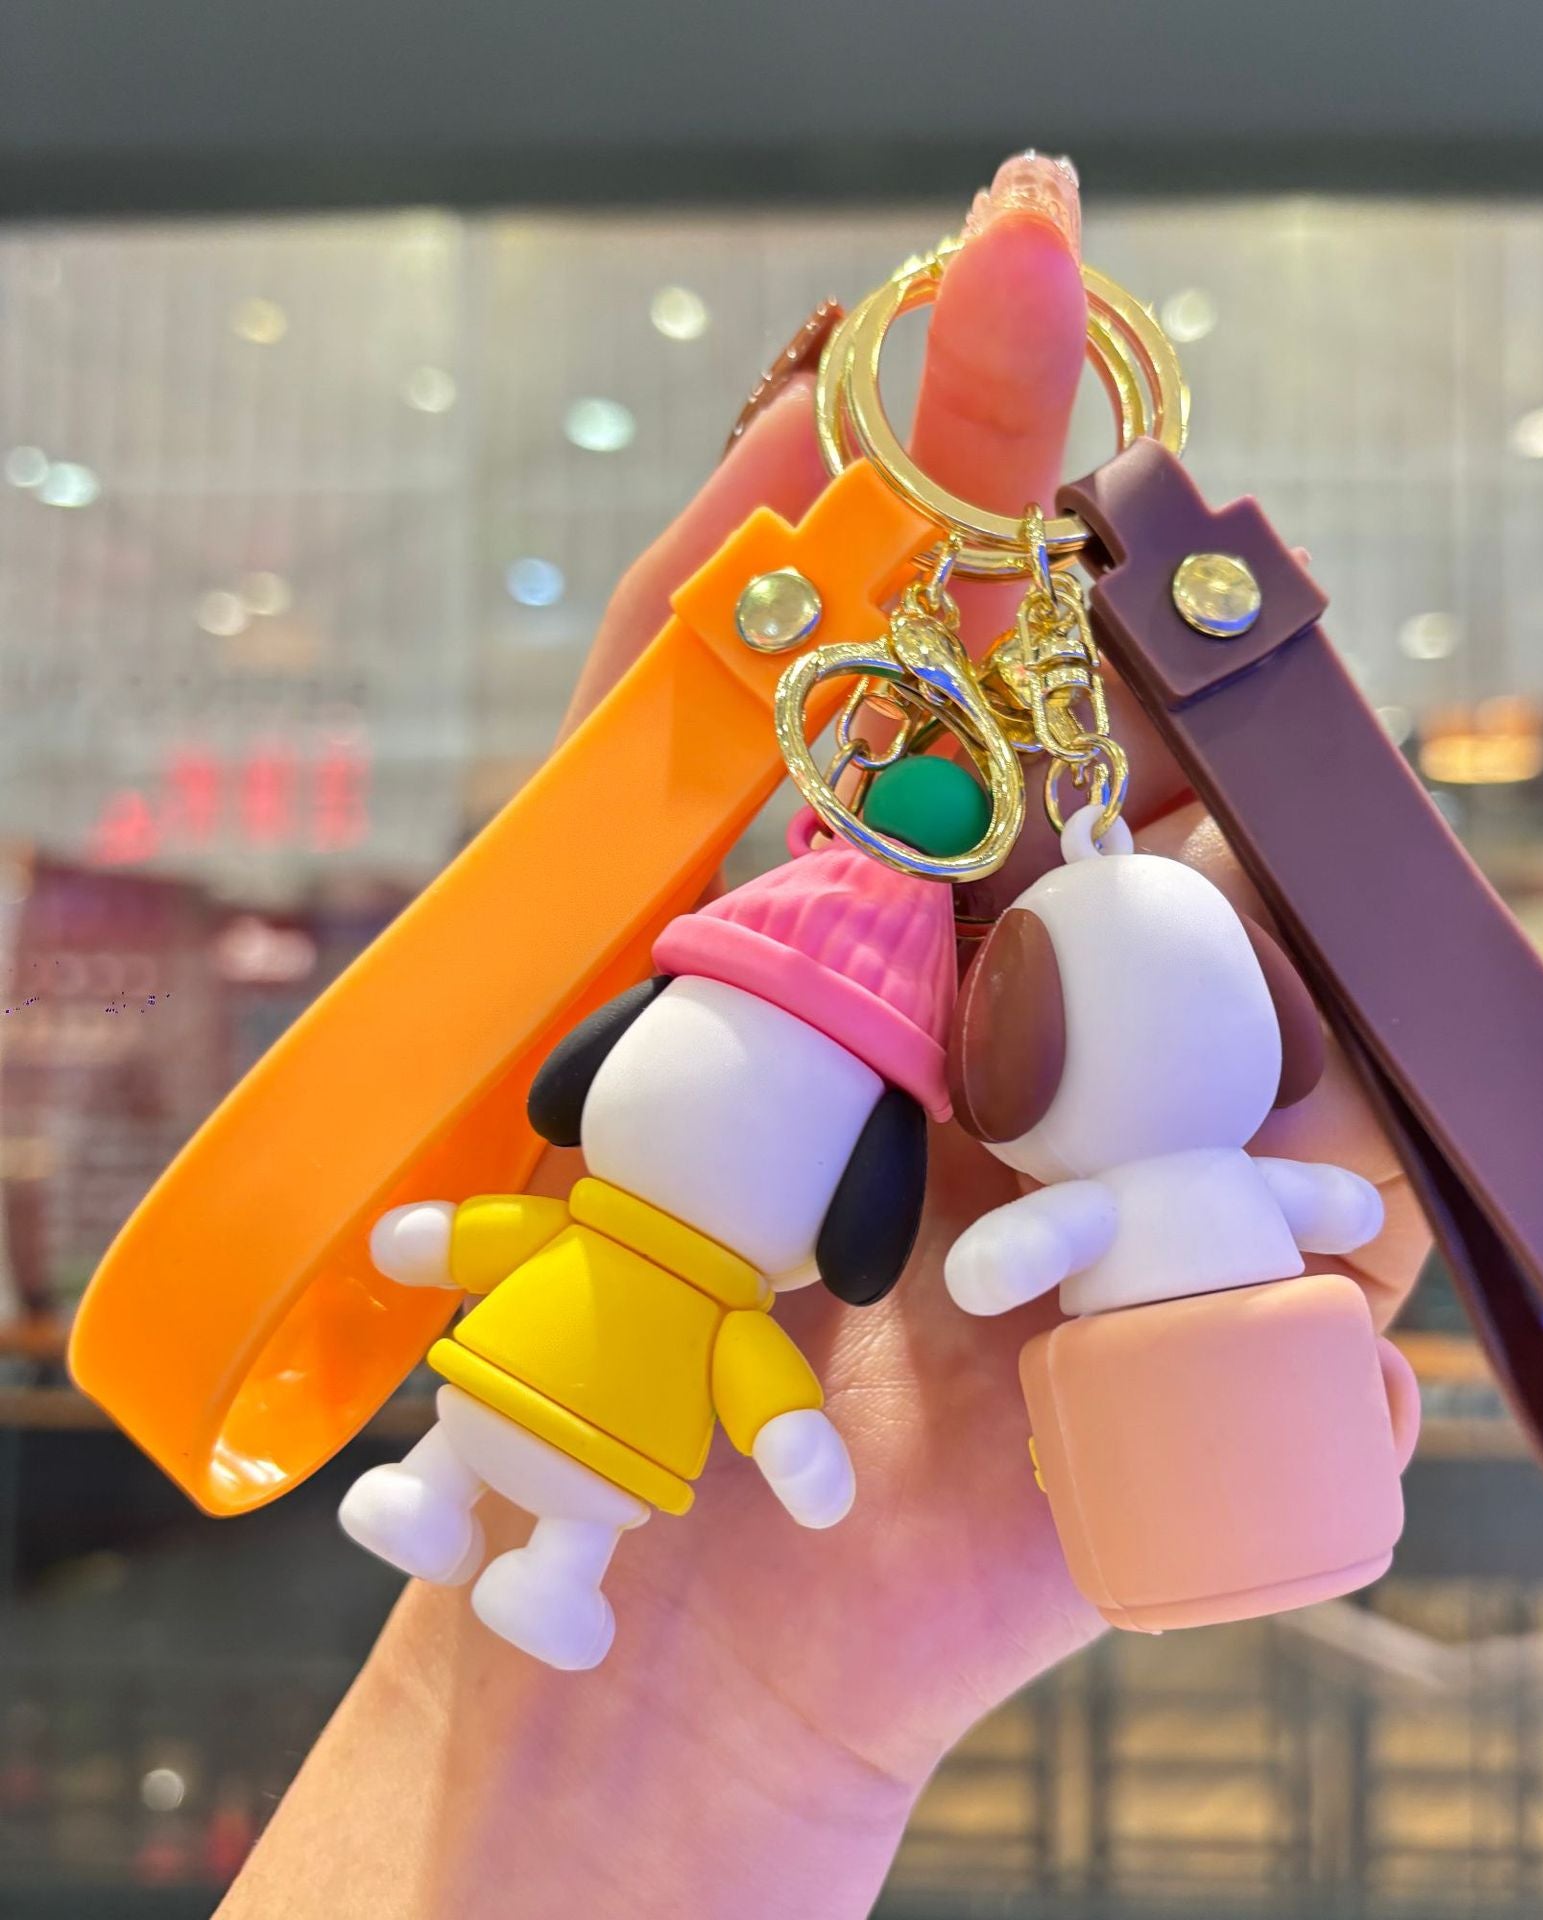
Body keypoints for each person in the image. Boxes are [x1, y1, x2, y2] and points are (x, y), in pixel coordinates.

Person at [220, 153, 1429, 1920]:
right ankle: (482, 1527)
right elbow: (818, 1284)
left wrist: (730, 1710)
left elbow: (970, 1253)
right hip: (638, 1399)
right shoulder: (813, 1186)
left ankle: (490, 1528)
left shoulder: (982, 1158)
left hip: (665, 1405)